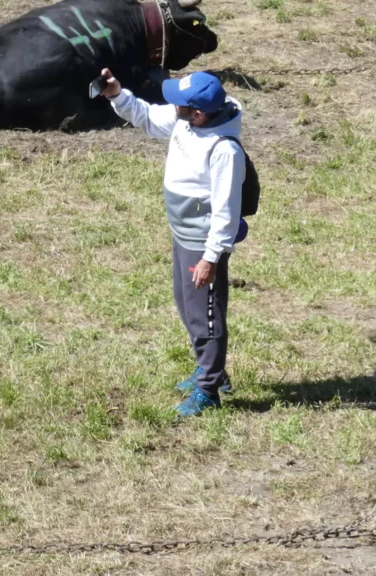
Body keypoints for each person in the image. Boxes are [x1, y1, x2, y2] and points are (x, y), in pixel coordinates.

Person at [99, 68, 247, 417]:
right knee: (186, 303)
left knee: (205, 315)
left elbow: (227, 211)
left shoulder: (225, 150)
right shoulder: (187, 120)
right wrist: (117, 94)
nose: (173, 106)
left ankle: (209, 389)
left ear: (198, 112)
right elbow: (147, 116)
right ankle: (210, 370)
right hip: (182, 234)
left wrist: (211, 258)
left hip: (201, 242)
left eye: (180, 103)